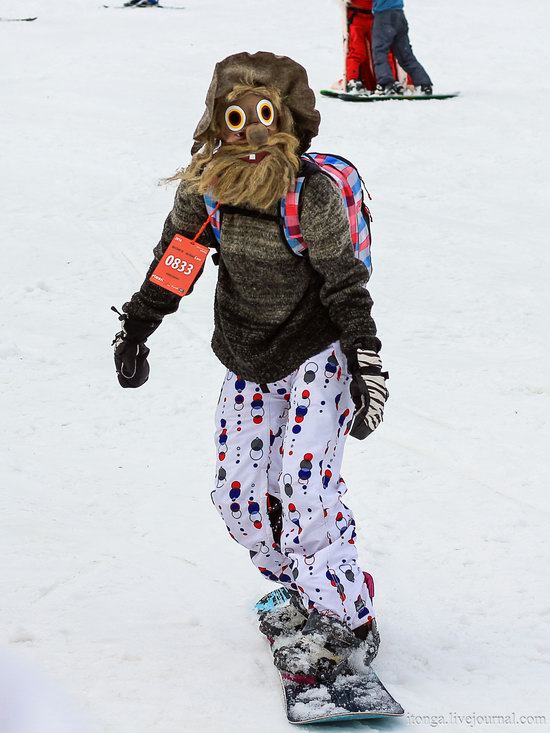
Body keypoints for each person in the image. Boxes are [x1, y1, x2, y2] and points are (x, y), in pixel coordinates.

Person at [112, 51, 388, 682]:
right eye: (235, 120)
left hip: (319, 352)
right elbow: (177, 259)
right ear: (218, 124)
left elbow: (344, 282)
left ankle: (344, 621)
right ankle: (302, 589)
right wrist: (137, 325)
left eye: (265, 117)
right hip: (246, 355)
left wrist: (366, 364)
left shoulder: (309, 192)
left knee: (307, 492)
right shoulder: (207, 188)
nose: (251, 135)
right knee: (239, 497)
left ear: (287, 121)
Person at [343, 0, 410, 95]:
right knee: (357, 51)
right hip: (357, 15)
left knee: (383, 50)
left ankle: (390, 80)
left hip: (377, 16)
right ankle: (352, 80)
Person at [371, 0, 432, 94]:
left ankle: (386, 83)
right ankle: (423, 84)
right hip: (399, 14)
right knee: (405, 54)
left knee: (380, 51)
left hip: (383, 16)